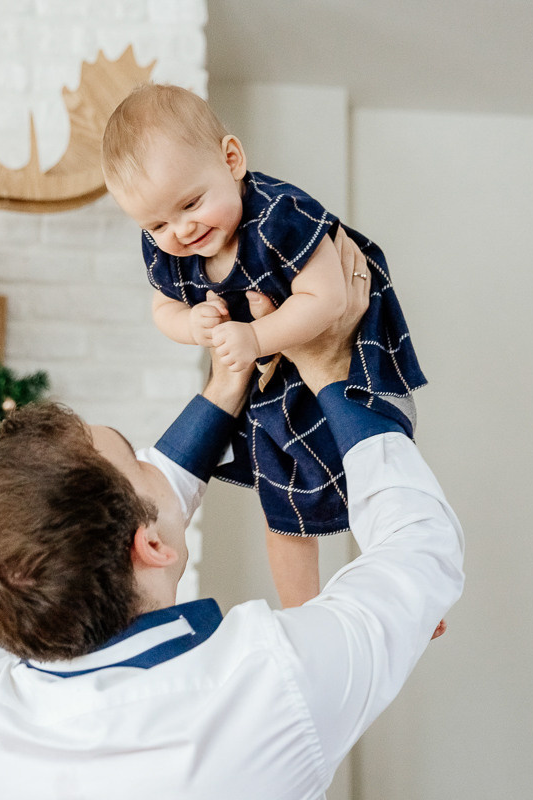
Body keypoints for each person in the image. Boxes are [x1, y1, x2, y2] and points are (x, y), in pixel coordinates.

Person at [0, 232, 464, 799]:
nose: (153, 462)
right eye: (138, 462)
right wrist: (331, 373)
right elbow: (420, 545)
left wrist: (228, 382)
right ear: (150, 548)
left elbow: (130, 521)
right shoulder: (269, 685)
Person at [101, 83, 427, 607]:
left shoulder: (280, 216)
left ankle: (411, 595)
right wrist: (192, 325)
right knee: (284, 515)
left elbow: (327, 298)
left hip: (346, 358)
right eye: (157, 223)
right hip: (273, 388)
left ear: (231, 159)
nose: (180, 231)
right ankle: (302, 614)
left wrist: (255, 335)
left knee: (373, 475)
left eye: (191, 203)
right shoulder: (166, 249)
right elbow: (162, 308)